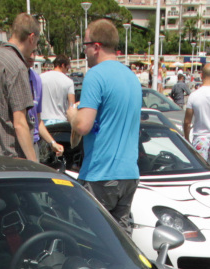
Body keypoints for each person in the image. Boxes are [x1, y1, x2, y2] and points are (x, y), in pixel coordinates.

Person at [68, 19, 141, 231]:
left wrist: (72, 114)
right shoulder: (131, 77)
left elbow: (83, 126)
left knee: (89, 239)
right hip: (129, 173)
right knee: (120, 242)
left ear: (96, 47)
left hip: (101, 173)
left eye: (85, 46)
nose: (85, 52)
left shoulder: (96, 75)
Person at [0, 13, 38, 159]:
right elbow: (20, 124)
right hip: (9, 158)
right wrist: (35, 164)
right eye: (36, 42)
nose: (35, 47)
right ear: (31, 38)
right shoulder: (17, 67)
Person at [40, 55, 75, 124]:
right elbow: (71, 106)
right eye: (67, 68)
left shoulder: (41, 77)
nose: (67, 71)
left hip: (43, 121)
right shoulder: (69, 81)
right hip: (61, 121)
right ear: (63, 65)